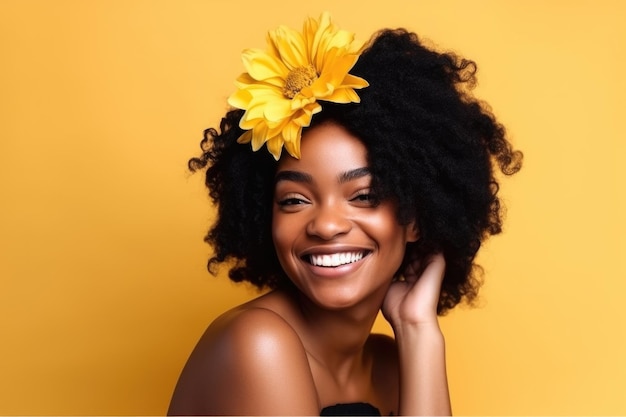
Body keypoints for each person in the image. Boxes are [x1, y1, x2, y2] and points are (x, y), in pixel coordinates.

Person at [168, 12, 522, 416]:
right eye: (295, 200)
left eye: (364, 195)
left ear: (416, 216)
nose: (326, 224)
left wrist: (418, 329)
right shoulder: (259, 344)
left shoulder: (391, 364)